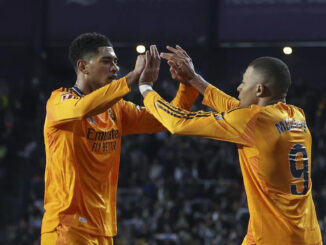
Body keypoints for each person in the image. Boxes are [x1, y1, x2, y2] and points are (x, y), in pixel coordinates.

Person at [139, 45, 323, 245]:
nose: (239, 88)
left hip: (274, 238)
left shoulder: (252, 121)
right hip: (304, 232)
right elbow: (237, 109)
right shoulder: (296, 115)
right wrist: (194, 79)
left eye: (244, 83)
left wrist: (146, 89)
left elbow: (179, 123)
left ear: (260, 89)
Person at [40, 33, 198, 244]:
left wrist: (188, 84)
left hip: (103, 229)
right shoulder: (59, 100)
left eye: (115, 61)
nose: (114, 67)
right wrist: (133, 78)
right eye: (106, 61)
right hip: (67, 228)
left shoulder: (116, 109)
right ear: (83, 66)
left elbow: (166, 119)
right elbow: (81, 110)